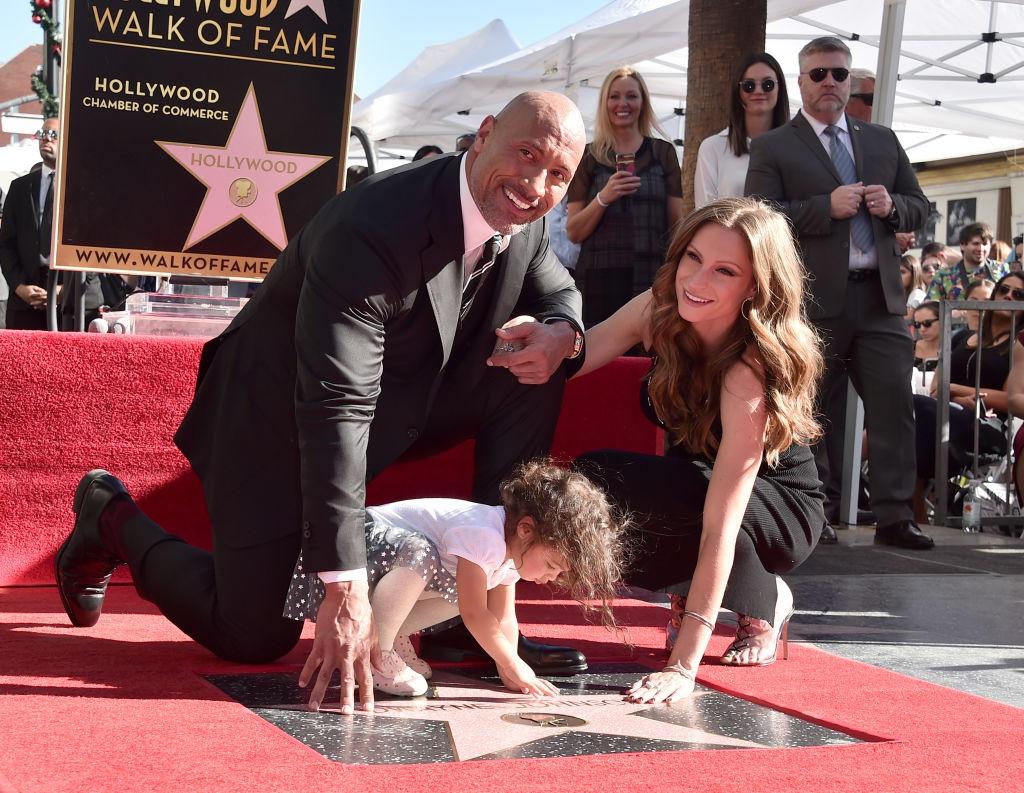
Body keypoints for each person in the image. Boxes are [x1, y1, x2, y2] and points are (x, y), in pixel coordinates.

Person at [55, 92, 590, 716]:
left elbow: (562, 293)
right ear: (485, 133)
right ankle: (110, 517)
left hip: (398, 404)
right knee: (254, 634)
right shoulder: (374, 224)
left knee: (539, 369)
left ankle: (482, 594)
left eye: (558, 175)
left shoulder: (519, 225)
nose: (535, 185)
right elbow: (336, 403)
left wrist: (563, 334)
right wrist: (346, 585)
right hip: (273, 415)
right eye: (526, 154)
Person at [572, 197, 825, 704]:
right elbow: (573, 360)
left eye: (724, 271)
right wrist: (526, 343)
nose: (697, 281)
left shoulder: (748, 370)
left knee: (692, 501)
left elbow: (720, 523)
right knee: (592, 481)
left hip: (779, 504)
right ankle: (715, 593)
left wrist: (683, 665)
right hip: (698, 484)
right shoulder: (661, 307)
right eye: (693, 258)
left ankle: (764, 599)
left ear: (755, 286)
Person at [746, 36, 933, 550]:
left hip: (880, 299)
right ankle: (815, 513)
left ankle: (896, 516)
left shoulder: (882, 141)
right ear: (801, 81)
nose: (830, 82)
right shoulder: (774, 145)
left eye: (839, 74)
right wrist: (823, 206)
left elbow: (922, 207)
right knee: (810, 411)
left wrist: (891, 205)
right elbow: (758, 215)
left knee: (895, 406)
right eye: (819, 74)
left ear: (850, 82)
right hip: (810, 301)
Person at [285, 460, 626, 696]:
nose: (553, 577)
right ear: (526, 530)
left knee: (460, 593)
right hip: (365, 550)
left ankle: (394, 633)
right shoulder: (485, 537)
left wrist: (511, 669)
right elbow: (477, 613)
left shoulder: (508, 556)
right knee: (436, 566)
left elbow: (504, 618)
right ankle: (378, 653)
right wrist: (512, 663)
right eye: (553, 563)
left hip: (393, 573)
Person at [566, 66, 683, 328]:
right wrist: (604, 197)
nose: (623, 103)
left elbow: (677, 225)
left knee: (652, 360)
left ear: (643, 102)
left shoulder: (662, 153)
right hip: (599, 281)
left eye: (631, 96)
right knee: (599, 361)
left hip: (652, 278)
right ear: (605, 102)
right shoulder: (588, 157)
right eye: (614, 96)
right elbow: (573, 231)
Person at [913, 272, 1024, 521]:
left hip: (988, 425)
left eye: (1018, 294)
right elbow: (935, 388)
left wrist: (955, 390)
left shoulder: (1019, 344)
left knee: (913, 412)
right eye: (1004, 290)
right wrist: (953, 396)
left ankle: (913, 516)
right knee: (906, 419)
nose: (1009, 296)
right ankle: (912, 516)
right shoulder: (961, 337)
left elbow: (1010, 398)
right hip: (942, 414)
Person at [694, 53, 790, 208]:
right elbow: (705, 212)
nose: (758, 91)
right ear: (738, 92)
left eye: (768, 84)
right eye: (749, 86)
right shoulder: (713, 147)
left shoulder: (795, 145)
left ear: (780, 89)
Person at [0, 117, 59, 331]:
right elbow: (6, 244)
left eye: (53, 135)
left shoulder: (78, 187)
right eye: (42, 133)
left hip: (66, 303)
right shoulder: (19, 188)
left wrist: (62, 291)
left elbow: (88, 246)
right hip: (24, 300)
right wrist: (19, 287)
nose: (46, 139)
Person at [927, 222, 1007, 301]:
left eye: (985, 244)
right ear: (962, 246)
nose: (980, 249)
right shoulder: (943, 276)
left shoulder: (1003, 270)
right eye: (975, 244)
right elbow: (931, 307)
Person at [902, 253, 927, 321]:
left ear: (914, 274)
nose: (898, 276)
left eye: (902, 272)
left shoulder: (917, 293)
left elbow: (908, 317)